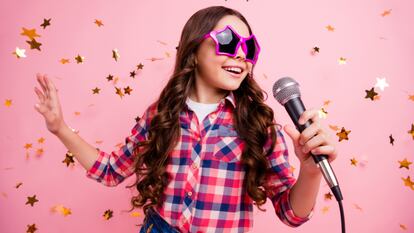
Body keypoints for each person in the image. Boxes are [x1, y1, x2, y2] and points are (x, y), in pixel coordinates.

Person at [34, 5, 338, 233]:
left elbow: (292, 214)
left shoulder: (259, 123)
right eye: (229, 42)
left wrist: (310, 170)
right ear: (194, 49)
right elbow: (111, 170)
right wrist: (60, 128)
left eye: (249, 48)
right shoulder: (161, 114)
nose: (241, 55)